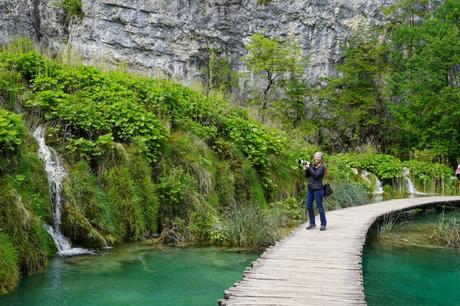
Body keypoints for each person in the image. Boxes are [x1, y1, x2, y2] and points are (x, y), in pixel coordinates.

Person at [303, 152, 327, 231]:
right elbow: (307, 176)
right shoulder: (313, 165)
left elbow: (316, 176)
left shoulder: (322, 167)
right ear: (314, 157)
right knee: (309, 205)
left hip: (318, 189)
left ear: (321, 158)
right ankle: (312, 223)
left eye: (319, 157)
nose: (317, 158)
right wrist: (307, 168)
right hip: (310, 189)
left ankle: (323, 224)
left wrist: (309, 168)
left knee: (319, 207)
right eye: (316, 157)